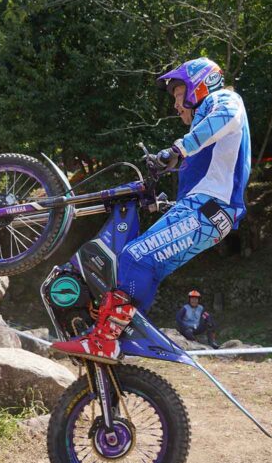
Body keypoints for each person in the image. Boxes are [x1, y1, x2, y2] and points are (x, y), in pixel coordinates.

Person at [53, 57, 249, 361]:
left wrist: (177, 149)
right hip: (210, 211)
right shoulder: (208, 135)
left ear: (197, 86)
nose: (176, 105)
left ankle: (106, 339)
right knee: (148, 267)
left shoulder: (223, 99)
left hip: (209, 208)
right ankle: (118, 335)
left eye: (178, 94)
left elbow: (226, 118)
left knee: (135, 256)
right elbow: (210, 173)